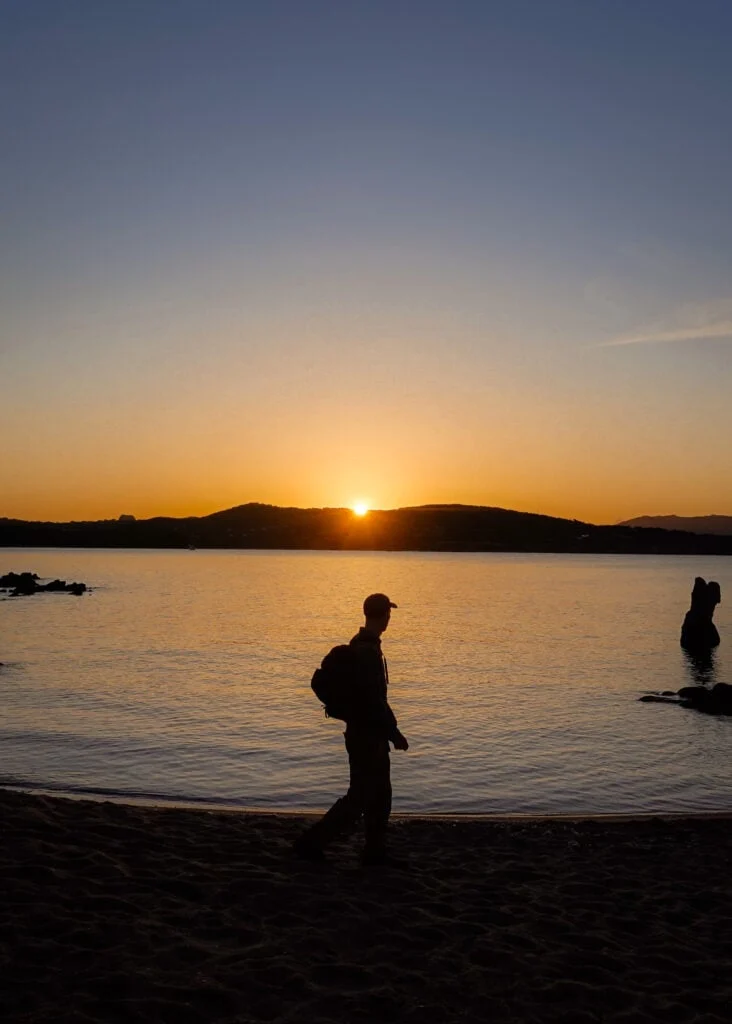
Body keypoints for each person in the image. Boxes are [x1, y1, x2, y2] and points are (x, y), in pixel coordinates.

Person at [294, 592, 409, 866]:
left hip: (364, 732)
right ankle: (312, 843)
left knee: (380, 794)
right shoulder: (367, 651)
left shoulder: (360, 644)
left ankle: (374, 851)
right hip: (367, 735)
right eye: (388, 614)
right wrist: (395, 733)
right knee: (359, 798)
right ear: (383, 616)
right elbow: (375, 699)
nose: (389, 618)